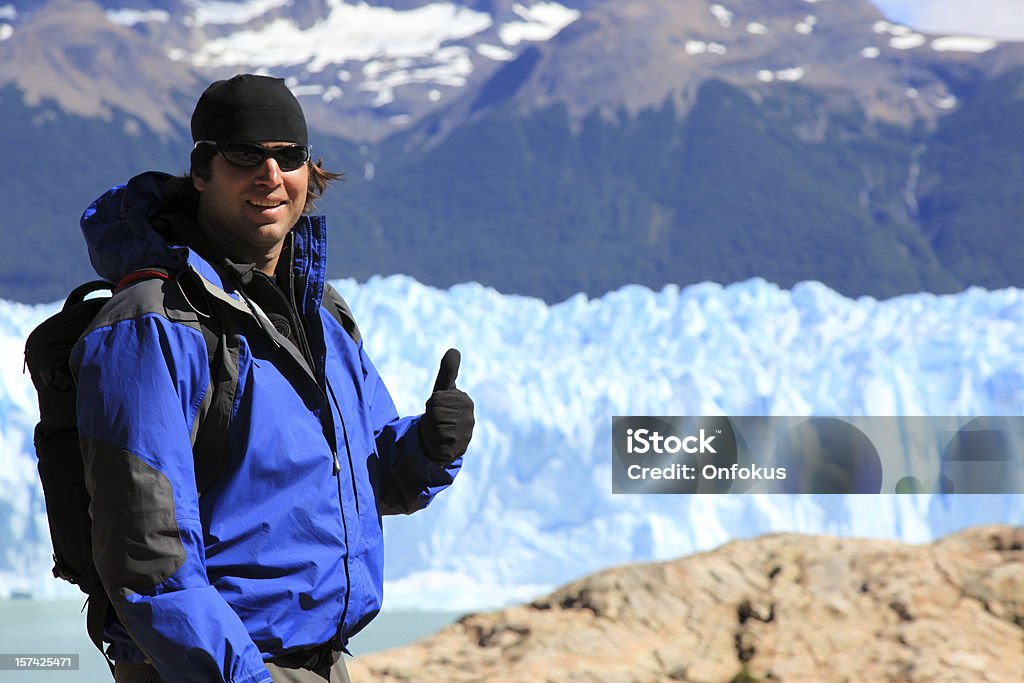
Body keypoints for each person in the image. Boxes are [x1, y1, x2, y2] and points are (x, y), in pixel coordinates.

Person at [70, 73, 475, 683]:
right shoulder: (154, 326)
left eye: (288, 156)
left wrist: (428, 448)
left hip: (318, 664)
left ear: (310, 174)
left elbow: (363, 484)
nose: (270, 175)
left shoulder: (322, 316)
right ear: (202, 170)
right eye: (244, 155)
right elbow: (149, 558)